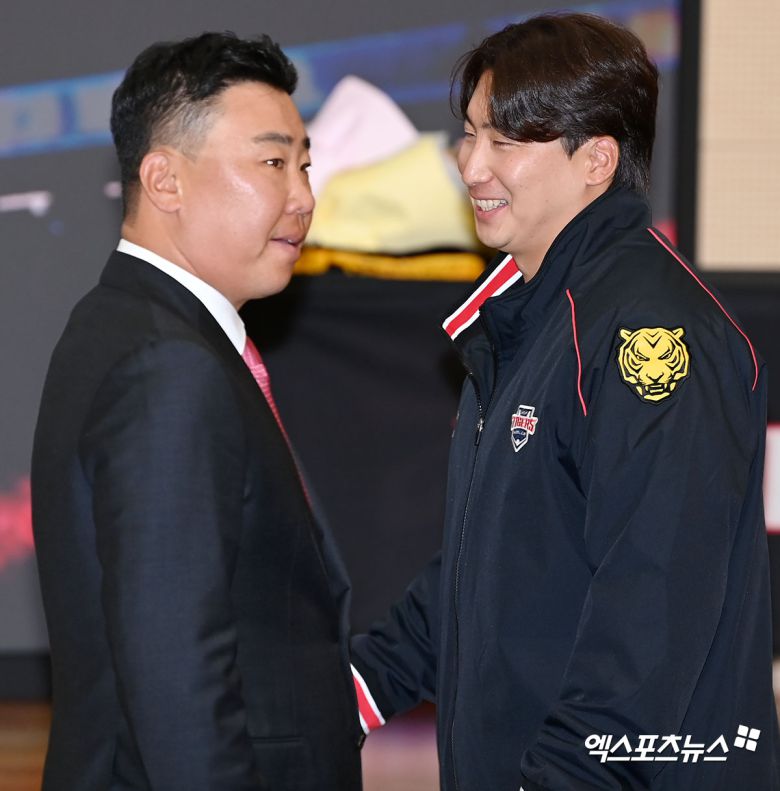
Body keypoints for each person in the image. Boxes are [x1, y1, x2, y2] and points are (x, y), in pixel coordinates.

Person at [350, 13, 780, 790]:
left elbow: (651, 612)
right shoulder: (534, 316)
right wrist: (355, 688)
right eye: (470, 134)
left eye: (506, 141)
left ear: (597, 160)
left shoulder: (652, 332)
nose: (471, 165)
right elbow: (496, 564)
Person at [32, 32, 363, 791]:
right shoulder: (167, 365)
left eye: (305, 165)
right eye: (273, 163)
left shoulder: (129, 324)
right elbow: (176, 676)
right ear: (165, 180)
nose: (303, 197)